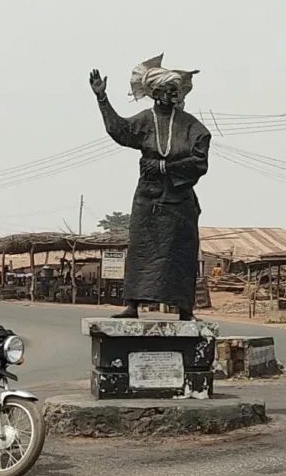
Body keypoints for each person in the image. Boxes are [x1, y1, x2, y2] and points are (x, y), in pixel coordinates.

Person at [89, 57, 211, 319]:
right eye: (168, 90)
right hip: (149, 198)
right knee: (141, 249)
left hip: (179, 200)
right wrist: (102, 99)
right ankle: (133, 305)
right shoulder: (145, 120)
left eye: (176, 91)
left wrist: (164, 167)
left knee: (181, 252)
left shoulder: (190, 125)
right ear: (155, 94)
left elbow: (200, 159)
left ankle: (185, 309)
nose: (173, 95)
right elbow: (120, 130)